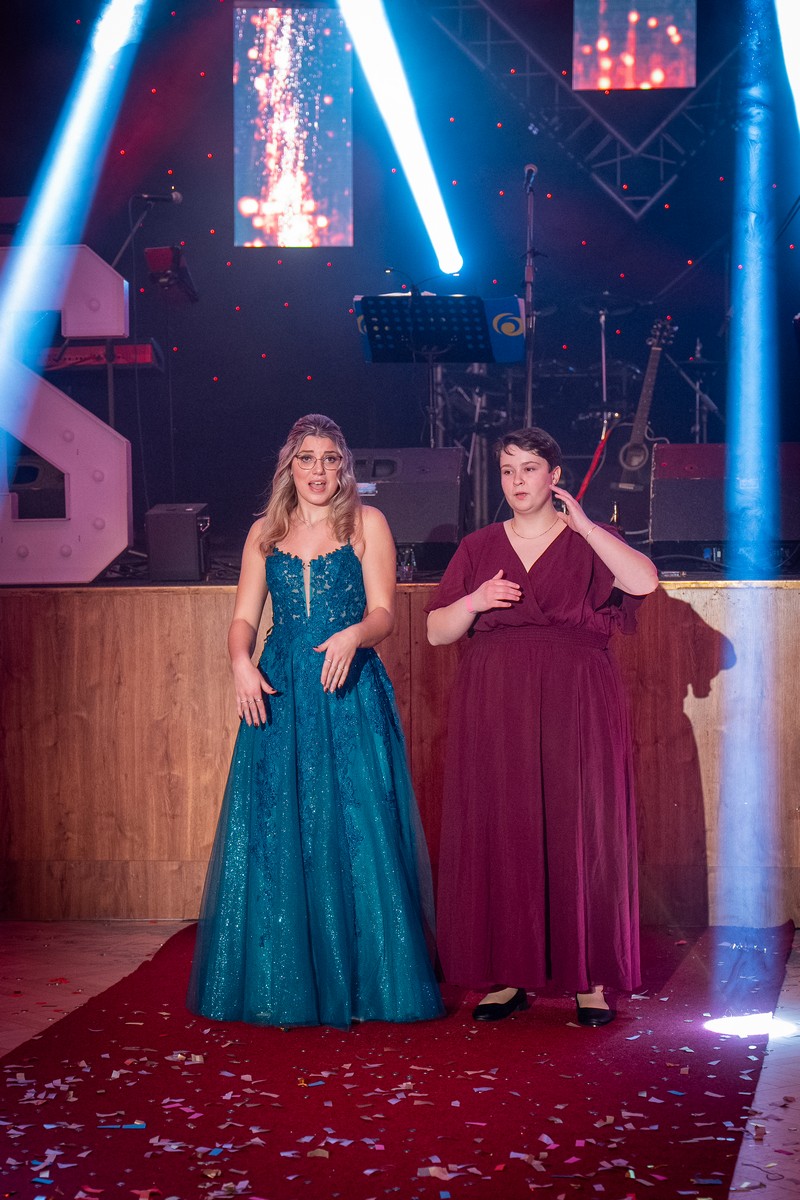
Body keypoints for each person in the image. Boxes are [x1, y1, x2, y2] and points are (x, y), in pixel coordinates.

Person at [188, 414, 444, 1028]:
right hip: (280, 690)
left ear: (343, 466)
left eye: (330, 458)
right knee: (279, 825)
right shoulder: (265, 532)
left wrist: (354, 635)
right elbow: (244, 617)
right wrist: (240, 663)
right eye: (307, 458)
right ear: (290, 466)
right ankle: (283, 979)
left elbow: (385, 614)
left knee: (357, 824)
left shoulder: (366, 523)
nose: (318, 470)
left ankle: (370, 981)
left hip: (346, 686)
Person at [426, 427, 659, 1025]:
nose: (516, 481)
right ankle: (510, 974)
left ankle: (590, 978)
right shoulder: (479, 546)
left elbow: (644, 582)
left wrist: (587, 528)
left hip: (576, 699)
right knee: (507, 827)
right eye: (507, 470)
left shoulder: (589, 539)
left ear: (555, 476)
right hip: (496, 702)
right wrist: (474, 601)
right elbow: (436, 631)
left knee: (579, 825)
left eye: (529, 468)